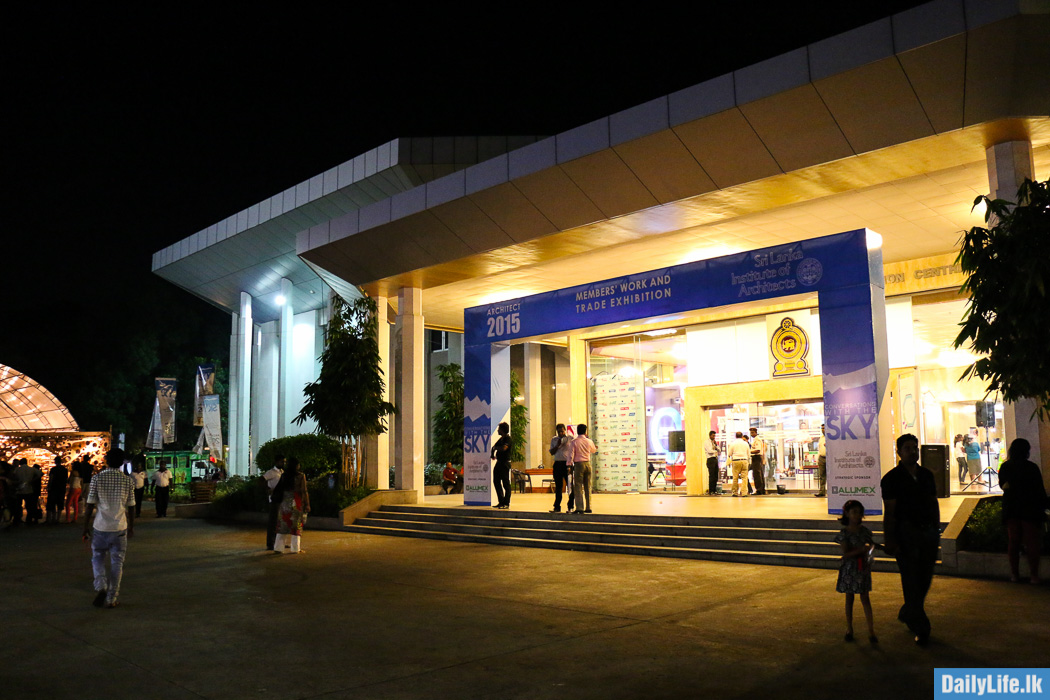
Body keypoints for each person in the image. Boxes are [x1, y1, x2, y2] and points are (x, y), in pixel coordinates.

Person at [881, 433, 939, 645]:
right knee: (911, 580)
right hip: (906, 534)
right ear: (899, 452)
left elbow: (933, 502)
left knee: (925, 578)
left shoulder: (926, 475)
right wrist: (890, 540)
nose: (912, 452)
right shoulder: (891, 479)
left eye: (915, 448)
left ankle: (908, 611)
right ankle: (921, 627)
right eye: (907, 448)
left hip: (928, 533)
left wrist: (936, 529)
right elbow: (890, 512)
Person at [82, 448, 136, 608]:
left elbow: (89, 505)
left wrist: (85, 527)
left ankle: (101, 586)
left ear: (106, 460)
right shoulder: (127, 481)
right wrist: (131, 527)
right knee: (117, 562)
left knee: (97, 558)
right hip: (119, 527)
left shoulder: (97, 478)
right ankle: (112, 598)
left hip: (100, 527)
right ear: (122, 462)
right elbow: (132, 506)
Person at [997, 438, 1048, 584]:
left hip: (1012, 507)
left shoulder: (1006, 467)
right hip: (1029, 507)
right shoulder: (1031, 467)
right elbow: (1039, 489)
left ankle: (1015, 574)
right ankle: (1034, 575)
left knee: (1014, 542)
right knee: (1032, 542)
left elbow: (1003, 486)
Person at [835, 499, 877, 644]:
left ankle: (871, 630)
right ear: (847, 514)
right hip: (850, 568)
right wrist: (861, 550)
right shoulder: (844, 533)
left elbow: (871, 545)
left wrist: (870, 552)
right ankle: (849, 628)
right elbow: (846, 553)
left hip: (862, 567)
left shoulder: (864, 531)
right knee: (849, 598)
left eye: (859, 512)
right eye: (854, 512)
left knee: (865, 598)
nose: (857, 515)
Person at [273, 456, 310, 554]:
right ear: (296, 465)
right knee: (296, 525)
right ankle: (295, 548)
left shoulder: (284, 475)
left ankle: (278, 547)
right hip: (296, 502)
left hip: (284, 502)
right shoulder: (300, 476)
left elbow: (279, 488)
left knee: (282, 525)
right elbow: (304, 491)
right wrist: (307, 504)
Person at [568, 424, 597, 514]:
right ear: (585, 431)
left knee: (578, 486)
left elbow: (571, 454)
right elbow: (593, 450)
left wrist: (569, 465)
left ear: (577, 431)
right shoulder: (589, 441)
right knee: (588, 486)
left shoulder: (574, 442)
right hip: (588, 464)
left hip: (579, 465)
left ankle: (580, 507)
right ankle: (588, 507)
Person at [549, 424, 574, 512]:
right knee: (558, 486)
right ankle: (557, 506)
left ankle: (570, 506)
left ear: (565, 430)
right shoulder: (554, 439)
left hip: (567, 464)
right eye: (559, 432)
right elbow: (551, 452)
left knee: (570, 486)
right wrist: (557, 445)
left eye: (562, 431)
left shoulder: (570, 438)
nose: (560, 433)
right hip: (557, 464)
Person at [263, 454, 285, 550]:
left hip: (281, 499)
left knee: (280, 521)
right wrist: (268, 489)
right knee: (273, 521)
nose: (283, 463)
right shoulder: (271, 472)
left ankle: (278, 542)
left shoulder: (282, 472)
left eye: (284, 462)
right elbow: (261, 479)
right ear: (277, 462)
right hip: (274, 499)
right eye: (282, 461)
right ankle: (270, 543)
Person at [490, 422, 513, 509]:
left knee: (506, 484)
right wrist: (492, 454)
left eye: (499, 429)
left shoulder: (508, 439)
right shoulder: (501, 439)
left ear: (502, 430)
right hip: (499, 462)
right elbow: (493, 447)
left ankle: (506, 503)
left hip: (505, 463)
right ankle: (501, 501)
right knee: (496, 481)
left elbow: (504, 448)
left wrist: (496, 448)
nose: (498, 431)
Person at [46, 456, 68, 524]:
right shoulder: (65, 470)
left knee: (52, 503)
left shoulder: (53, 469)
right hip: (61, 488)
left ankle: (53, 518)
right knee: (60, 504)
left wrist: (48, 486)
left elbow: (51, 478)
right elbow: (66, 479)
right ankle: (58, 519)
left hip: (54, 488)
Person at [727, 432, 750, 497]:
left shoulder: (733, 444)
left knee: (735, 477)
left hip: (736, 461)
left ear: (735, 436)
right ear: (742, 436)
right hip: (744, 460)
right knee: (744, 478)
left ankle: (735, 492)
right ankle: (744, 493)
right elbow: (748, 454)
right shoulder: (745, 443)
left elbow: (729, 454)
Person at [749, 427, 766, 495]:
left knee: (757, 474)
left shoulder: (757, 440)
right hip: (756, 457)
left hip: (756, 457)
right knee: (758, 474)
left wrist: (749, 451)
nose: (751, 434)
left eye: (753, 432)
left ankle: (759, 490)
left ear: (756, 432)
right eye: (751, 433)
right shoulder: (755, 440)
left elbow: (758, 450)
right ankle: (761, 489)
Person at [704, 431, 720, 495]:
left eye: (714, 436)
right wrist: (716, 451)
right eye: (713, 436)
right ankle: (711, 490)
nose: (714, 437)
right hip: (710, 459)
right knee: (712, 475)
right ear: (710, 435)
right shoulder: (707, 442)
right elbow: (709, 451)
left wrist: (716, 445)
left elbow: (719, 449)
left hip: (715, 459)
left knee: (716, 475)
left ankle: (714, 490)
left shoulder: (714, 442)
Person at [815, 425, 827, 497]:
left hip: (829, 458)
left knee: (831, 476)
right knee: (822, 476)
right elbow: (819, 448)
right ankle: (822, 492)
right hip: (821, 458)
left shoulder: (831, 437)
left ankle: (832, 492)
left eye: (824, 428)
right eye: (822, 428)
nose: (823, 430)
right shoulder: (821, 438)